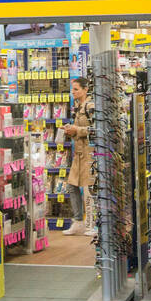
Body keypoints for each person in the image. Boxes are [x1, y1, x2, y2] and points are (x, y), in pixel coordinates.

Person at [61, 77, 93, 236]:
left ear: (85, 89)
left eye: (76, 89)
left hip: (89, 154)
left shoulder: (90, 105)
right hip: (79, 154)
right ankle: (78, 221)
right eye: (72, 89)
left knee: (89, 190)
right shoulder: (78, 106)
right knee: (71, 185)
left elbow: (96, 129)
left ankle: (92, 224)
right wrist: (71, 131)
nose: (73, 92)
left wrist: (77, 130)